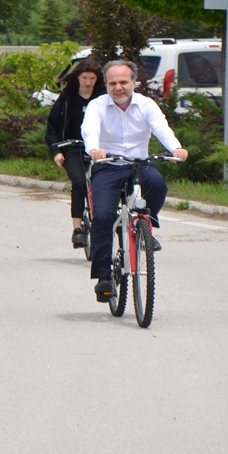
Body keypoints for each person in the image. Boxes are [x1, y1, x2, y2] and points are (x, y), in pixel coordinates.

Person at [82, 59, 188, 302]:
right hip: (107, 165)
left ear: (134, 82)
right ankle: (104, 278)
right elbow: (90, 129)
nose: (118, 87)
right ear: (106, 84)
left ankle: (145, 228)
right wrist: (95, 149)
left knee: (158, 185)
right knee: (104, 215)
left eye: (123, 82)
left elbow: (161, 127)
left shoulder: (146, 104)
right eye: (112, 83)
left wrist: (175, 148)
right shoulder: (98, 105)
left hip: (139, 163)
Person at [44, 59, 105, 249]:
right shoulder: (68, 97)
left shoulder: (103, 97)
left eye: (92, 78)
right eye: (85, 77)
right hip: (73, 147)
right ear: (78, 77)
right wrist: (56, 151)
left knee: (106, 183)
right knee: (79, 182)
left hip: (100, 149)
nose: (88, 82)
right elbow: (52, 127)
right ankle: (78, 229)